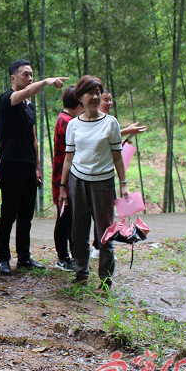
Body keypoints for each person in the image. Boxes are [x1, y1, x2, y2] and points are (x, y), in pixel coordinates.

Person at [0, 59, 67, 275]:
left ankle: (24, 257)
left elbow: (34, 138)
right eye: (25, 74)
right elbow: (24, 93)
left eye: (31, 75)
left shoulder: (30, 107)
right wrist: (46, 81)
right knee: (9, 213)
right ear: (13, 77)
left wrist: (37, 167)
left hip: (28, 165)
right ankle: (2, 259)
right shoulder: (7, 99)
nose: (30, 78)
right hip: (10, 164)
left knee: (26, 214)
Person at [58, 75, 128, 291]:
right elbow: (68, 158)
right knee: (78, 230)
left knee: (105, 232)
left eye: (98, 93)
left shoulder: (110, 123)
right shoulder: (73, 125)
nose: (96, 97)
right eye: (91, 93)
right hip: (77, 181)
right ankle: (81, 273)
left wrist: (123, 183)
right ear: (80, 96)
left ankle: (105, 279)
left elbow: (117, 156)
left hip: (103, 182)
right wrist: (63, 187)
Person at [89, 88, 146, 259]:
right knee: (94, 213)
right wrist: (127, 131)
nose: (109, 103)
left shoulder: (110, 121)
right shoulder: (90, 119)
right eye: (106, 99)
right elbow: (99, 139)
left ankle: (100, 245)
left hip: (106, 173)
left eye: (110, 100)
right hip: (90, 173)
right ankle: (92, 248)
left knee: (104, 212)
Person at [52, 87, 83, 272]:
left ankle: (71, 255)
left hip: (66, 174)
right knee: (65, 218)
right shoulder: (67, 121)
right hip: (65, 176)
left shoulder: (66, 119)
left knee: (68, 218)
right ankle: (63, 257)